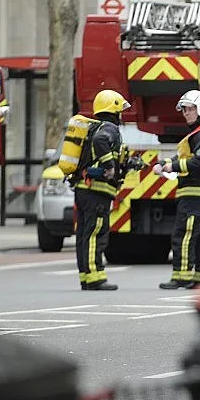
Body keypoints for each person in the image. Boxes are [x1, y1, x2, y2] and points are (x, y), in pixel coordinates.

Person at [155, 90, 200, 290]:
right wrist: (167, 162)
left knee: (184, 234)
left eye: (190, 109)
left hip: (197, 193)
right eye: (184, 109)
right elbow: (187, 157)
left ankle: (181, 276)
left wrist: (172, 167)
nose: (186, 113)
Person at [74, 89, 130, 291]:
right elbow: (101, 145)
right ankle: (95, 277)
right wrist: (109, 167)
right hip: (96, 191)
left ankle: (86, 276)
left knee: (84, 233)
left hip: (85, 188)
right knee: (95, 232)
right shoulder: (109, 129)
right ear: (114, 109)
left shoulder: (95, 128)